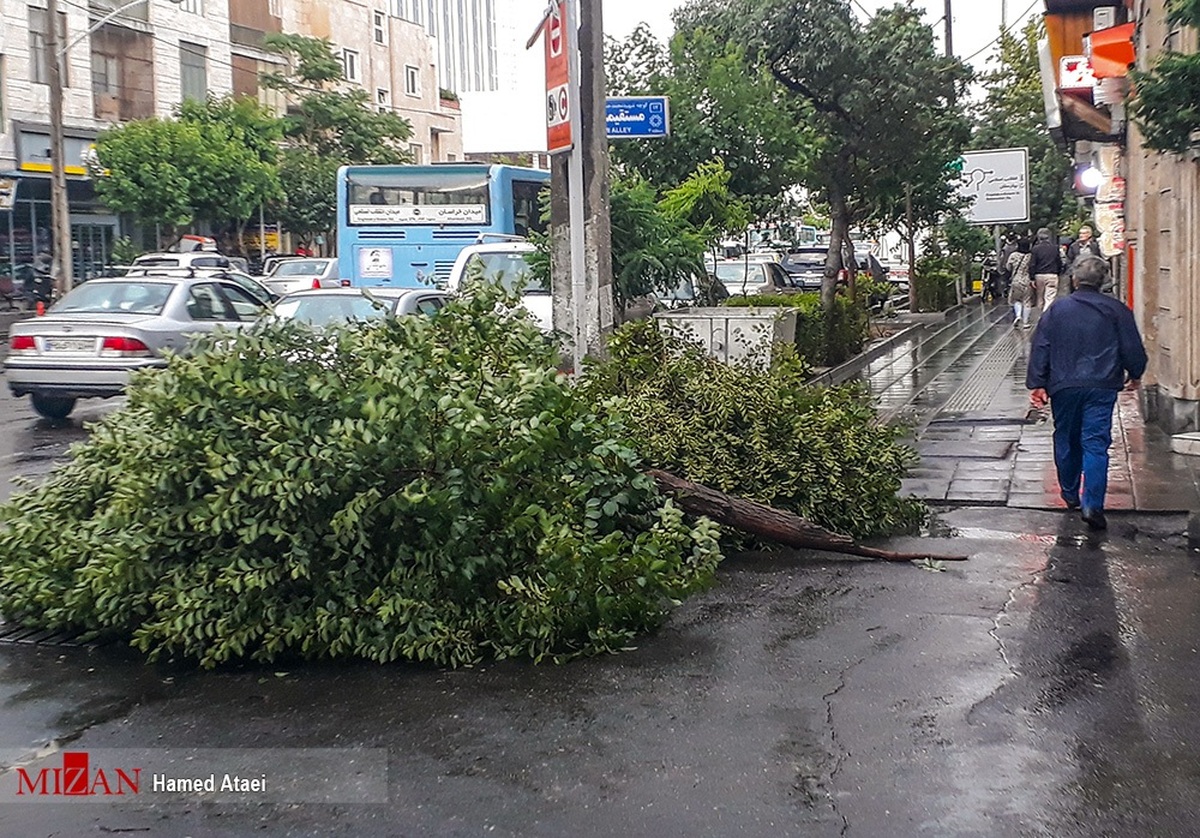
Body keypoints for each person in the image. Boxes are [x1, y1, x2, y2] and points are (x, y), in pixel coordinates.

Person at [1026, 256, 1147, 530]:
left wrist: (1038, 383)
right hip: (1101, 385)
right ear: (1103, 281)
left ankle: (1070, 493)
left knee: (1066, 437)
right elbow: (1131, 347)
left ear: (1075, 279)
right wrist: (1135, 373)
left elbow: (1041, 346)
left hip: (1064, 384)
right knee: (1095, 442)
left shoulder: (1057, 310)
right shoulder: (1116, 310)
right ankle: (1092, 504)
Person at [1030, 227, 1063, 314]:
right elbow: (1059, 261)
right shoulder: (1054, 248)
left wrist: (1032, 278)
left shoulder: (1035, 249)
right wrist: (1059, 272)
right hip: (1052, 274)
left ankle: (1041, 314)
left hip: (1039, 275)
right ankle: (1046, 313)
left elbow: (1032, 264)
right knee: (1050, 297)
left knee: (1039, 297)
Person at [1006, 236, 1034, 328]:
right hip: (1027, 280)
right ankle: (1025, 322)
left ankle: (1018, 315)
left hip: (1016, 280)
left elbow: (1008, 267)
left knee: (1016, 300)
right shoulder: (1030, 256)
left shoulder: (1013, 255)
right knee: (1027, 301)